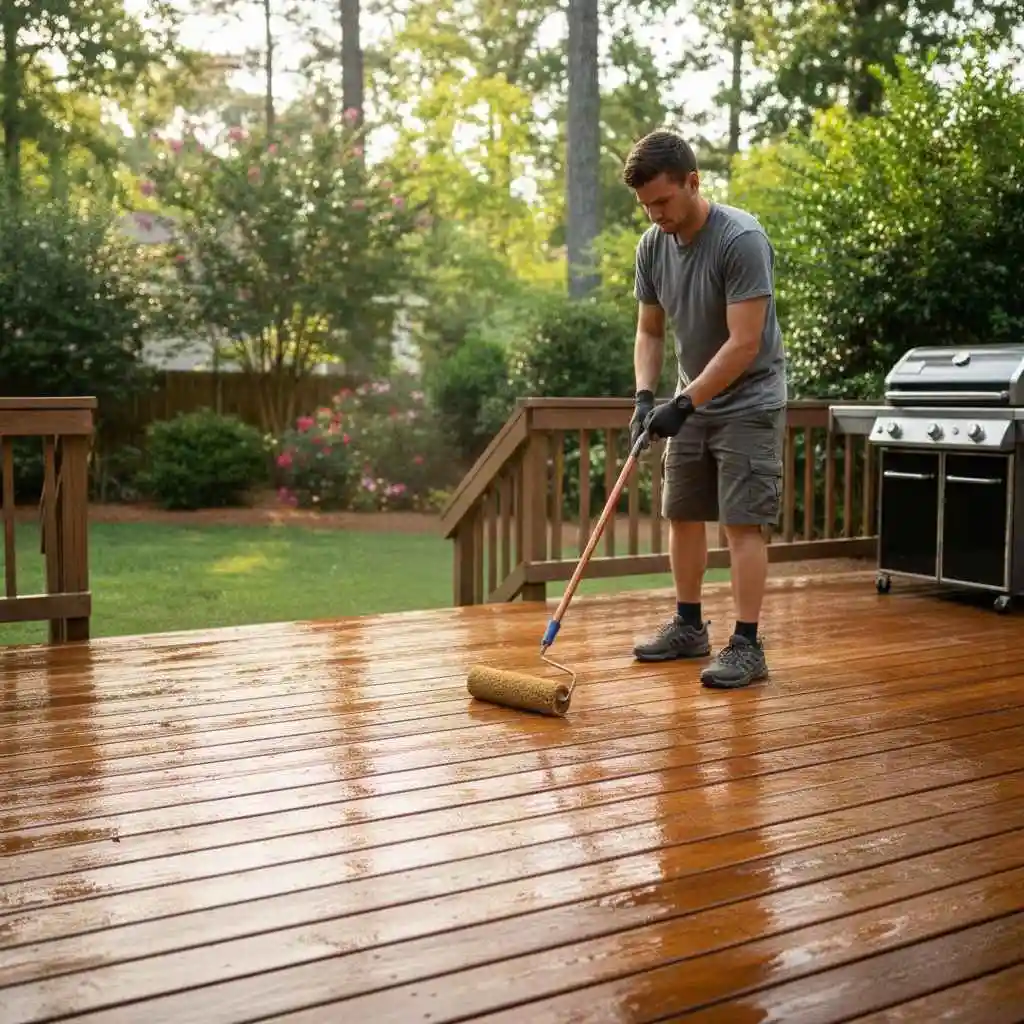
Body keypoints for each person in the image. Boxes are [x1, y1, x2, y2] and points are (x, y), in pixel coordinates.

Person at [622, 129, 787, 689]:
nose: (655, 215)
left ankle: (747, 645)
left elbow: (744, 344)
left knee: (742, 524)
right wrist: (646, 397)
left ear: (693, 182)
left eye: (663, 201)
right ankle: (689, 627)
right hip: (689, 399)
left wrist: (684, 402)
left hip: (749, 400)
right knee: (683, 513)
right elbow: (649, 331)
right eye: (645, 205)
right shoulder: (652, 246)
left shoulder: (740, 239)